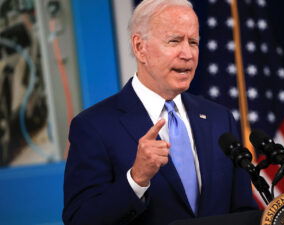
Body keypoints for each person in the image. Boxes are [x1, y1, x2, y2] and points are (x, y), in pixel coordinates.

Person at [62, 0, 258, 224]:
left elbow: (242, 211)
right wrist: (137, 179)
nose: (187, 54)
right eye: (174, 41)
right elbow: (79, 219)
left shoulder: (219, 119)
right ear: (139, 47)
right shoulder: (94, 126)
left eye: (193, 42)